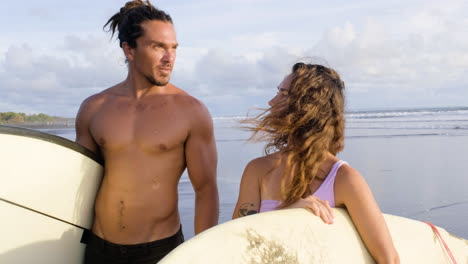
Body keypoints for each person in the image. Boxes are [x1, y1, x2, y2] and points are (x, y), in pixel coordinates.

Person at [75, 1, 219, 263]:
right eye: (158, 47)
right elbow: (80, 185)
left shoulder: (190, 111)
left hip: (159, 251)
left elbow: (206, 189)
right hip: (99, 249)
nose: (169, 58)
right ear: (129, 50)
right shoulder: (94, 108)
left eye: (174, 48)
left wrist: (204, 254)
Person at [232, 62, 400, 263]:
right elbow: (237, 241)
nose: (271, 102)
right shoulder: (258, 170)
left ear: (309, 108)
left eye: (284, 95)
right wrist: (287, 212)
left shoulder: (343, 179)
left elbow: (389, 260)